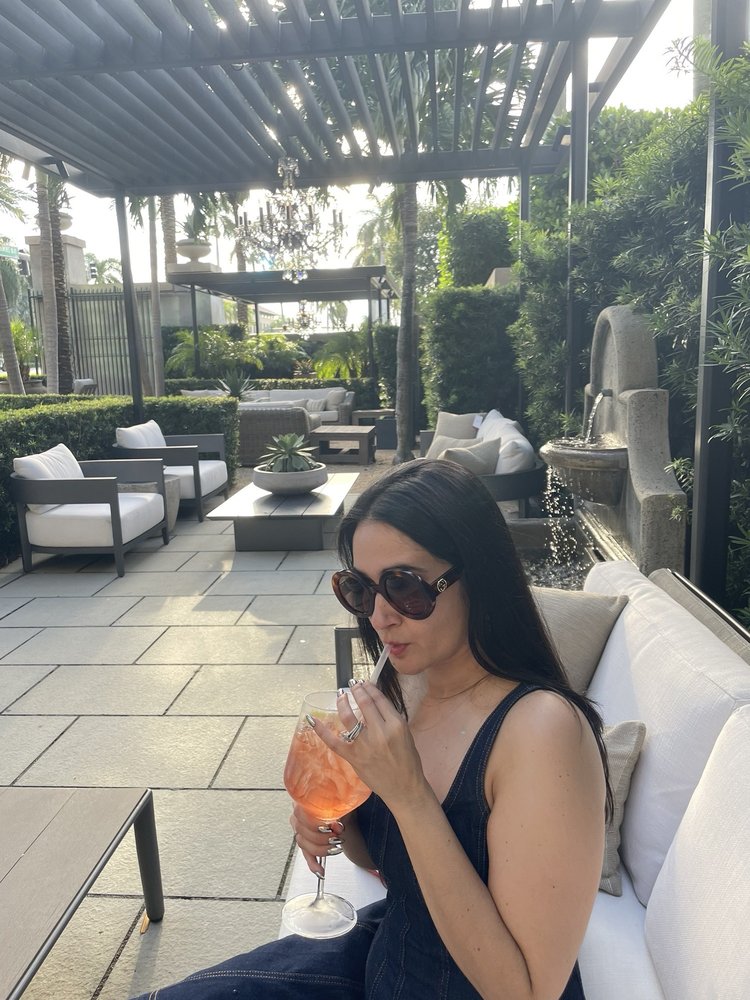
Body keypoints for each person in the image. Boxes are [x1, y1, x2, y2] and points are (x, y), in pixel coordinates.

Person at [133, 459, 609, 999]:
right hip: (385, 955)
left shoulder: (542, 732)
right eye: (361, 589)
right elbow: (385, 862)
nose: (380, 617)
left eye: (404, 586)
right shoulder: (403, 685)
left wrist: (409, 796)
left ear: (478, 576)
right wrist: (334, 821)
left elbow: (526, 992)